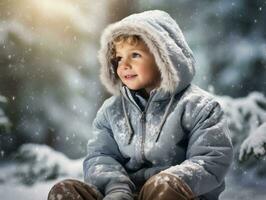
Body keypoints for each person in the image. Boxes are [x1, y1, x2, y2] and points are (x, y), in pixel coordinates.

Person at [48, 10, 233, 200]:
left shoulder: (200, 106)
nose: (124, 65)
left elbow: (211, 159)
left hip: (177, 194)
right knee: (65, 191)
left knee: (161, 188)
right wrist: (116, 189)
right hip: (126, 196)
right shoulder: (111, 111)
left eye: (135, 55)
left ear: (164, 58)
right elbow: (101, 157)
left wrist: (170, 180)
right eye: (119, 58)